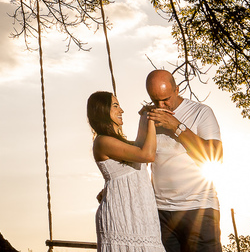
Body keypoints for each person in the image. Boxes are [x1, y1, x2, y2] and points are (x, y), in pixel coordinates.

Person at [144, 70, 223, 252]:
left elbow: (215, 156)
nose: (161, 105)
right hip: (161, 213)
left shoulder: (201, 112)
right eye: (155, 100)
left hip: (199, 209)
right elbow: (140, 158)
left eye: (165, 99)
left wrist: (177, 127)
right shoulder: (147, 117)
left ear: (177, 90)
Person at [88, 90, 165, 252]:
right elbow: (147, 154)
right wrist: (150, 119)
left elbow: (140, 146)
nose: (121, 110)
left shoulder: (119, 143)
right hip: (122, 216)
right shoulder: (102, 141)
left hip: (139, 215)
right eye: (115, 106)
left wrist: (143, 118)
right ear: (102, 111)